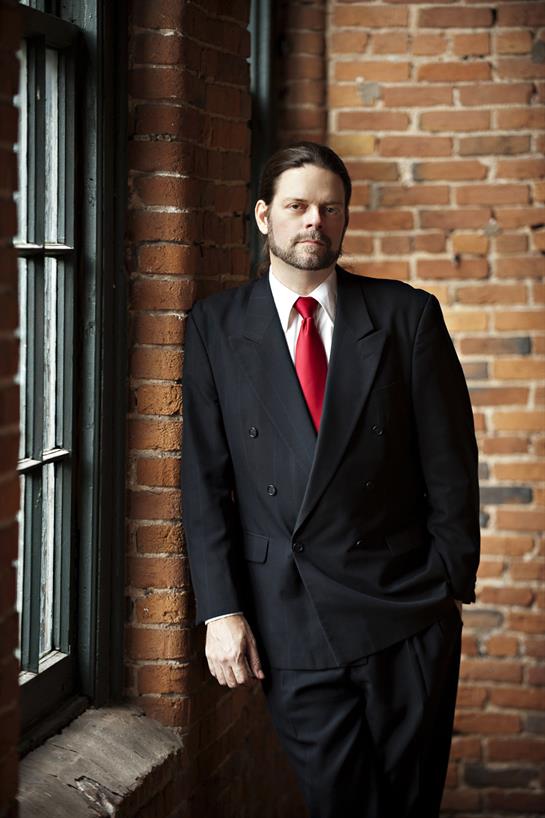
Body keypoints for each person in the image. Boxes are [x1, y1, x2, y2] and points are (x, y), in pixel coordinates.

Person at [181, 141, 480, 818]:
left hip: (406, 609)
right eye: (296, 206)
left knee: (407, 805)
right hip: (286, 612)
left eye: (328, 208)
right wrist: (220, 609)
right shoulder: (215, 326)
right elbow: (203, 480)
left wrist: (445, 586)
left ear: (344, 219)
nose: (313, 220)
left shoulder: (406, 316)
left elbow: (451, 466)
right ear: (263, 217)